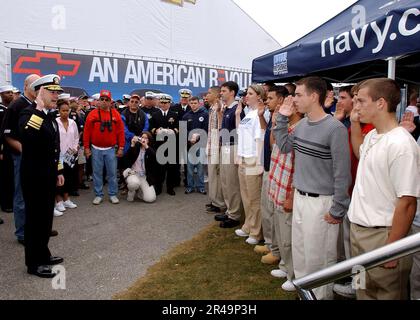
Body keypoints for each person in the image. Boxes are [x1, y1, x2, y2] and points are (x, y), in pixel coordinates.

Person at [273, 76, 351, 300]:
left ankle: (321, 297)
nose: (293, 99)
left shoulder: (334, 129)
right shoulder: (302, 125)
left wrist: (337, 208)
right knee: (301, 254)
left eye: (298, 94)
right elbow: (285, 146)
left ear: (313, 96)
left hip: (321, 204)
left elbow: (342, 172)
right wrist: (282, 120)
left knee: (320, 258)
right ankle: (305, 294)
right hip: (300, 197)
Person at [348, 78, 419, 300]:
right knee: (362, 290)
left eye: (360, 100)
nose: (355, 105)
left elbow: (407, 202)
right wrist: (355, 124)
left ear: (380, 103)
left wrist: (392, 248)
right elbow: (361, 153)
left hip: (382, 235)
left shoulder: (401, 144)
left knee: (386, 294)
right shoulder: (373, 135)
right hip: (359, 231)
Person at [19, 74, 65, 278]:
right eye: (52, 92)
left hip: (48, 175)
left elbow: (55, 148)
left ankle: (43, 254)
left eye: (57, 92)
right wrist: (38, 108)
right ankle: (33, 263)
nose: (56, 96)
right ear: (40, 92)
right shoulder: (28, 113)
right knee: (34, 221)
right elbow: (28, 136)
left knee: (45, 219)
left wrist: (59, 171)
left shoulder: (49, 116)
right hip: (34, 177)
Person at [0, 76, 39, 242]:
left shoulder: (38, 105)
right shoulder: (16, 106)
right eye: (35, 85)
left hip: (38, 158)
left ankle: (36, 227)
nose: (38, 88)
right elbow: (7, 134)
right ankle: (22, 233)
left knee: (36, 195)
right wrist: (25, 150)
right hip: (21, 158)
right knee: (21, 196)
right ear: (25, 85)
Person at [234, 84, 266, 245]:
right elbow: (241, 134)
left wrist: (259, 162)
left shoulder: (260, 114)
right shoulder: (248, 113)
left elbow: (260, 138)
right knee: (246, 197)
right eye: (246, 93)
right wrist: (238, 115)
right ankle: (248, 225)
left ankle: (256, 231)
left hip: (253, 159)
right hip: (244, 158)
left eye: (250, 93)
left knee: (254, 198)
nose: (246, 96)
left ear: (259, 96)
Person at [83, 90, 125, 205]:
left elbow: (121, 132)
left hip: (111, 149)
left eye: (107, 100)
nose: (104, 102)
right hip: (95, 149)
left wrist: (121, 147)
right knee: (97, 173)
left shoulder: (116, 114)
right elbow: (86, 132)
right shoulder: (92, 114)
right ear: (98, 101)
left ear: (110, 102)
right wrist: (86, 148)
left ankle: (112, 194)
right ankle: (98, 194)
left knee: (112, 173)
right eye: (102, 99)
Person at [216, 81, 244, 228]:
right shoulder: (227, 109)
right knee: (225, 181)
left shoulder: (238, 109)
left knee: (232, 182)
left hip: (234, 147)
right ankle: (229, 210)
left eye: (224, 91)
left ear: (232, 92)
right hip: (225, 146)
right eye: (221, 91)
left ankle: (235, 215)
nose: (221, 93)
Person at [149, 94, 179, 196]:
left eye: (165, 103)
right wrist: (156, 130)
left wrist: (173, 131)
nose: (163, 104)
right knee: (159, 168)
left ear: (169, 103)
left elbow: (178, 127)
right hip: (159, 144)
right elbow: (150, 128)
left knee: (171, 167)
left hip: (171, 144)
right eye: (161, 102)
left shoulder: (174, 115)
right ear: (159, 103)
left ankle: (170, 188)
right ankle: (158, 187)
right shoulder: (155, 114)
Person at [54, 99, 79, 216]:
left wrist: (74, 148)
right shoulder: (55, 122)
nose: (65, 113)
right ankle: (58, 201)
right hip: (58, 156)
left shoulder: (73, 122)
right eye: (63, 110)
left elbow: (76, 138)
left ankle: (66, 199)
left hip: (70, 155)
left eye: (67, 110)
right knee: (58, 179)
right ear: (58, 111)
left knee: (69, 177)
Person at [205, 86, 225, 214]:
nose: (207, 95)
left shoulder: (220, 108)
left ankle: (218, 203)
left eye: (209, 93)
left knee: (216, 176)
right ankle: (214, 200)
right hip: (211, 144)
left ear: (217, 95)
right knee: (212, 174)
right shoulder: (212, 108)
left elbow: (220, 129)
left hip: (217, 146)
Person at [182, 96, 208, 194]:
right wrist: (191, 137)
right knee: (189, 168)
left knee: (200, 167)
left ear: (199, 104)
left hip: (201, 144)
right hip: (190, 145)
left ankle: (201, 186)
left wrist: (198, 135)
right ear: (189, 104)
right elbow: (183, 131)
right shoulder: (185, 116)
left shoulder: (205, 115)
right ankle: (190, 186)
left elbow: (206, 129)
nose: (193, 105)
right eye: (191, 103)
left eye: (195, 103)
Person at [124, 131, 158, 203]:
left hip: (144, 176)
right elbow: (125, 159)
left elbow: (155, 158)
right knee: (134, 184)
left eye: (146, 138)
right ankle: (131, 191)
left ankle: (140, 192)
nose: (143, 139)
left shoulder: (150, 149)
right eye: (142, 137)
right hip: (133, 173)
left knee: (150, 199)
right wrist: (132, 144)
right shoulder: (136, 147)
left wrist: (146, 146)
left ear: (149, 140)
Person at [0, 85, 15, 213]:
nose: (10, 94)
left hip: (13, 148)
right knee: (5, 177)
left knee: (11, 175)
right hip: (4, 149)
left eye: (11, 92)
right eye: (7, 92)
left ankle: (11, 201)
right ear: (1, 95)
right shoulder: (1, 110)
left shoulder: (12, 108)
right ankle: (5, 203)